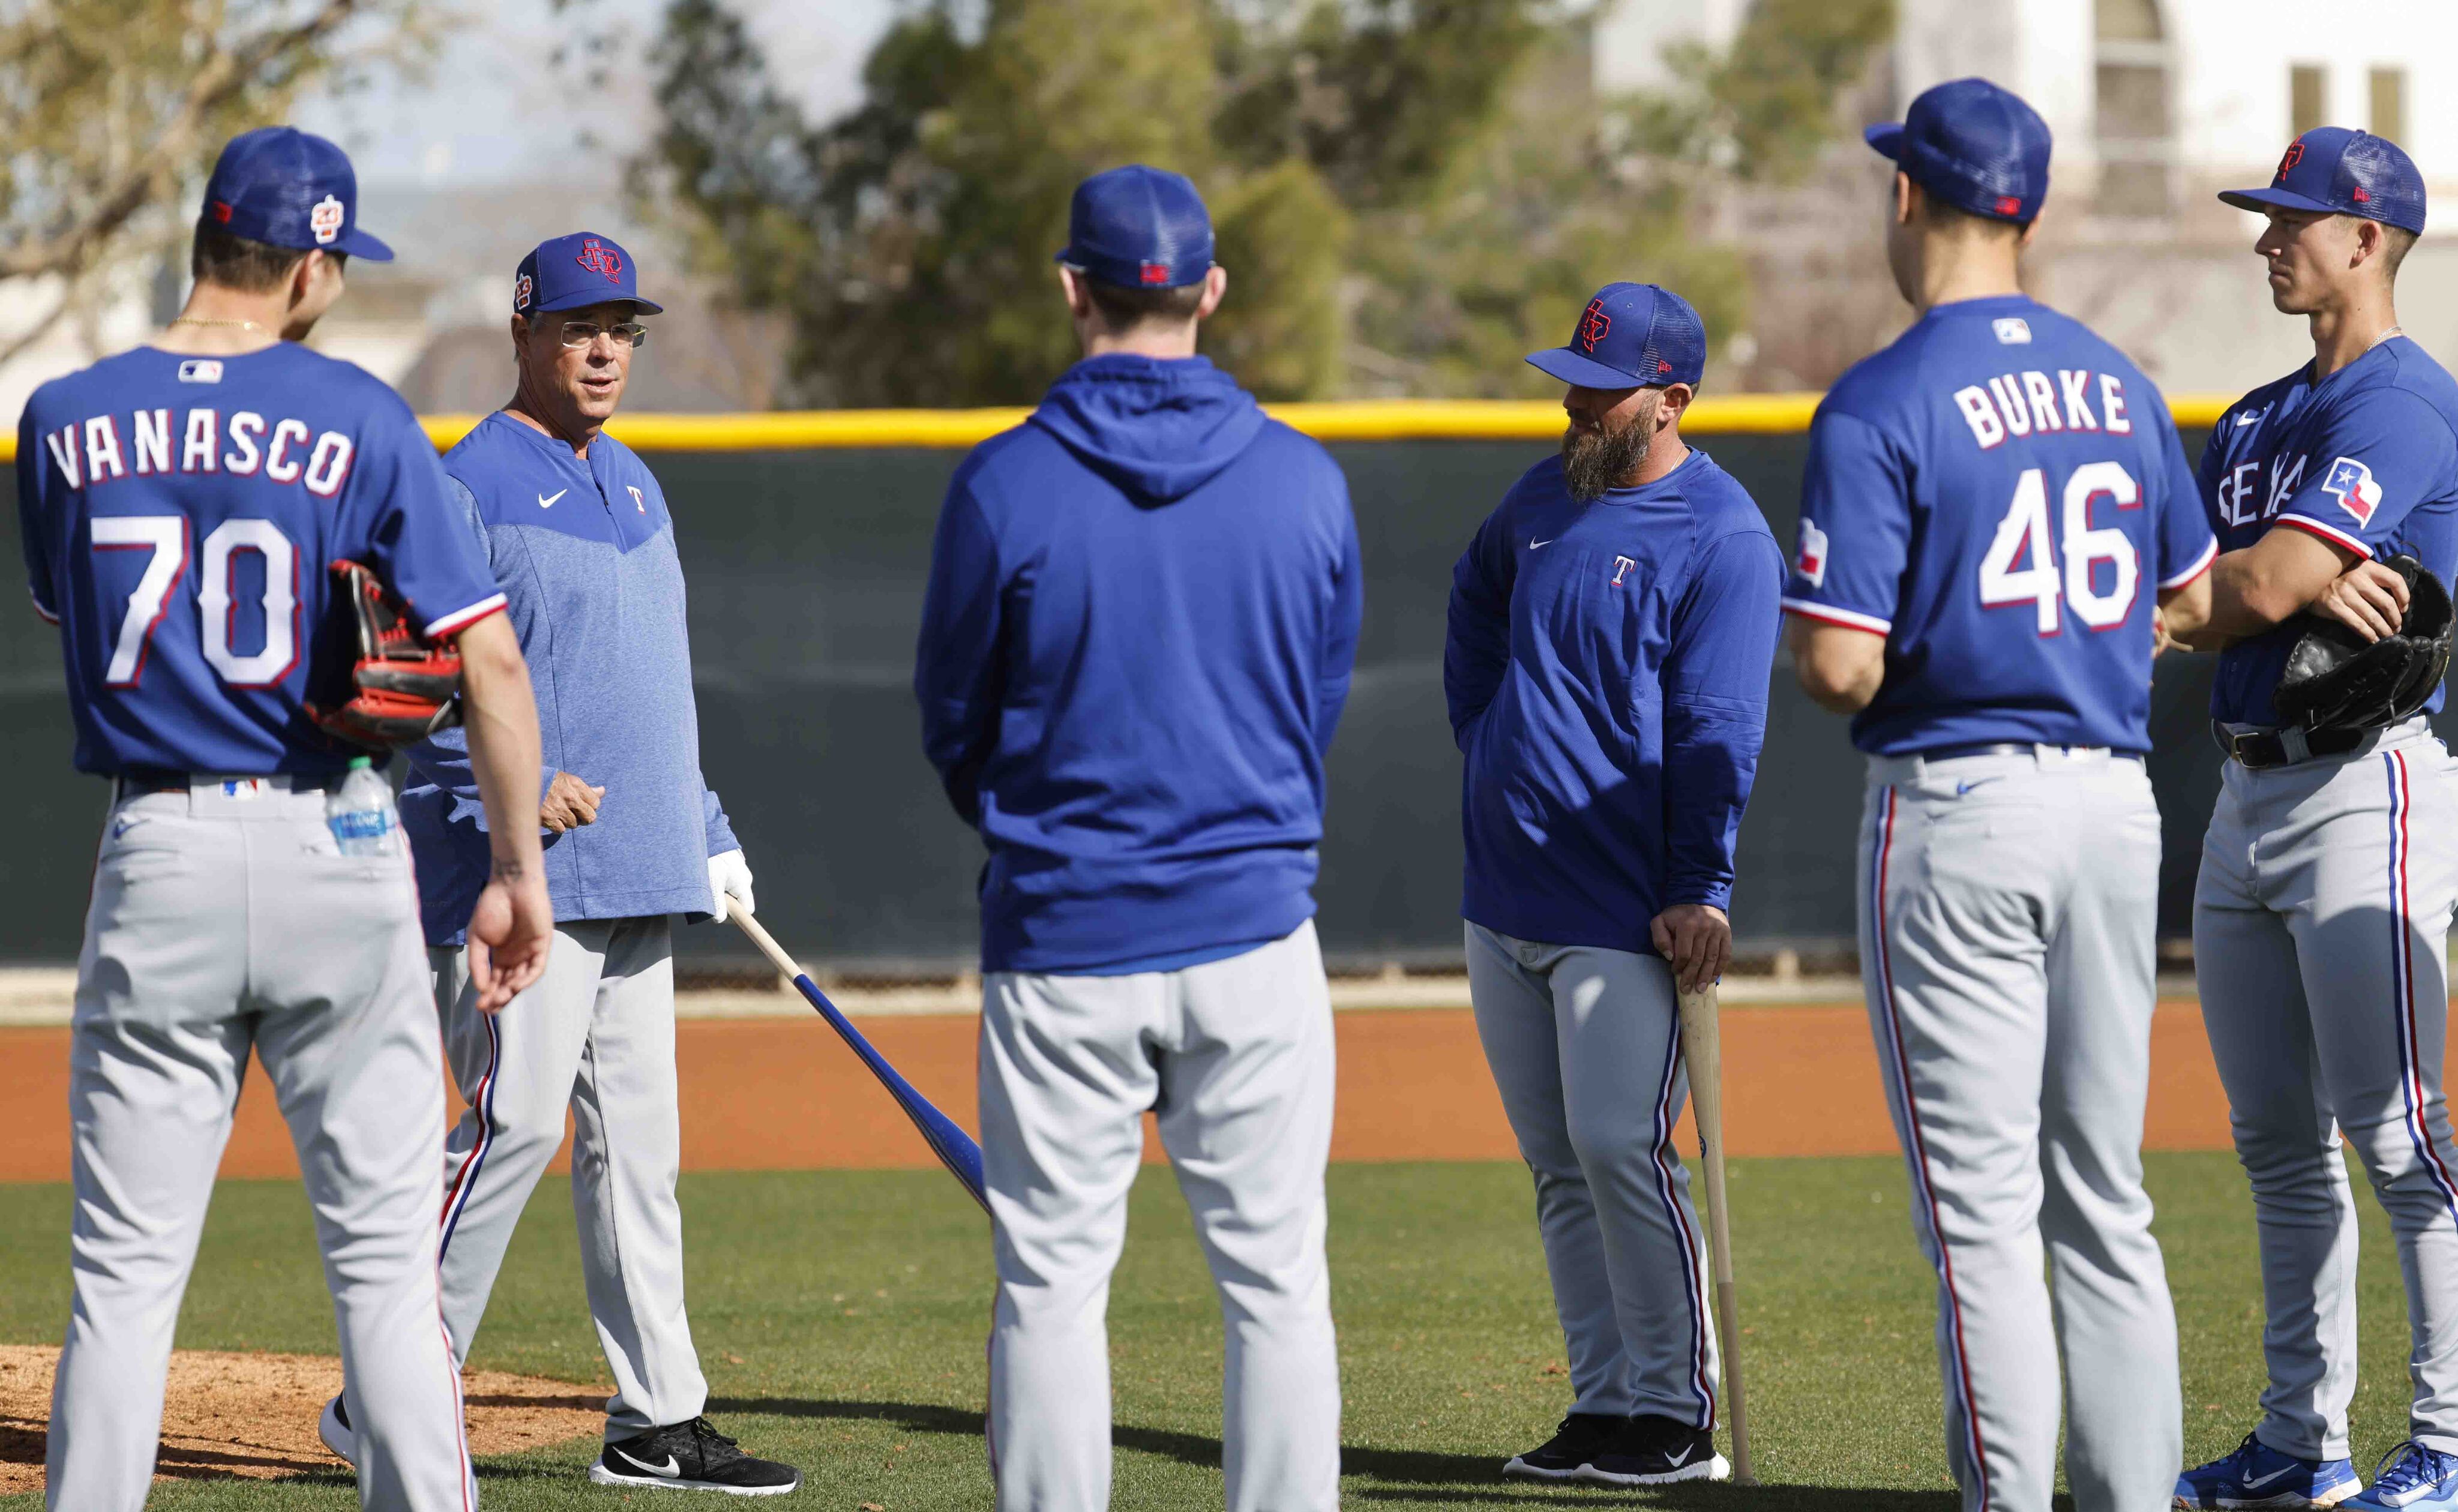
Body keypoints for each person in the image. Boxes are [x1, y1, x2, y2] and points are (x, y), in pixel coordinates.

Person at [14, 127, 553, 1510]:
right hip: (338, 838)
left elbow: (75, 611)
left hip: (161, 845)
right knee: (382, 1267)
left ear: (205, 236)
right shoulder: (359, 415)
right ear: (312, 264)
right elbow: (482, 658)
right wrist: (513, 872)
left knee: (125, 1282)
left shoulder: (65, 418)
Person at [1782, 79, 2216, 1512]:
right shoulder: (2119, 382)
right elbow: (2195, 598)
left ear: (1906, 196)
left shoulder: (1883, 396)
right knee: (2104, 1196)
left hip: (1960, 803)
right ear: (2023, 208)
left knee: (1980, 1221)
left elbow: (1842, 666)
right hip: (2111, 805)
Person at [915, 164, 1361, 1512]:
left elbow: (954, 723)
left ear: (1071, 289)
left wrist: (1046, 828)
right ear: (1210, 289)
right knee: (1275, 1283)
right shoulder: (1302, 480)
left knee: (1049, 1282)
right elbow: (1313, 705)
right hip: (1253, 931)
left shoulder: (1004, 484)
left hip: (1066, 933)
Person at [319, 232, 795, 1495]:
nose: (601, 351)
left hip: (642, 867)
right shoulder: (462, 484)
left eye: (620, 332)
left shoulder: (637, 482)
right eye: (579, 329)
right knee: (508, 1130)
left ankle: (654, 1418)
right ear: (525, 335)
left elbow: (652, 695)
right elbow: (401, 689)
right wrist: (500, 787)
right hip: (521, 877)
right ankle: (386, 1390)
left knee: (639, 1151)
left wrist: (707, 825)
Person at [1443, 281, 1781, 1488]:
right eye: (1568, 382)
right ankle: (1601, 1405)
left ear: (1671, 399)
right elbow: (1473, 604)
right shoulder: (1541, 499)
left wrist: (1701, 885)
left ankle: (1673, 1415)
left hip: (1623, 904)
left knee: (1617, 1146)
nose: (1574, 405)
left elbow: (1719, 724)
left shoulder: (1723, 534)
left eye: (1599, 388)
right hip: (1505, 890)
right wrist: (1482, 737)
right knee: (1557, 1164)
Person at [2169, 128, 2458, 1512]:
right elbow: (2209, 588)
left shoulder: (2399, 402)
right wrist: (2253, 582)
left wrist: (2258, 581)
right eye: (2265, 216)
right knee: (2273, 1141)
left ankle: (2453, 1444)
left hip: (2364, 786)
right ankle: (2299, 1442)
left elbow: (2249, 587)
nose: (2265, 238)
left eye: (2292, 219)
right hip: (2242, 788)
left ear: (2366, 241)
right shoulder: (2247, 418)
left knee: (2397, 1131)